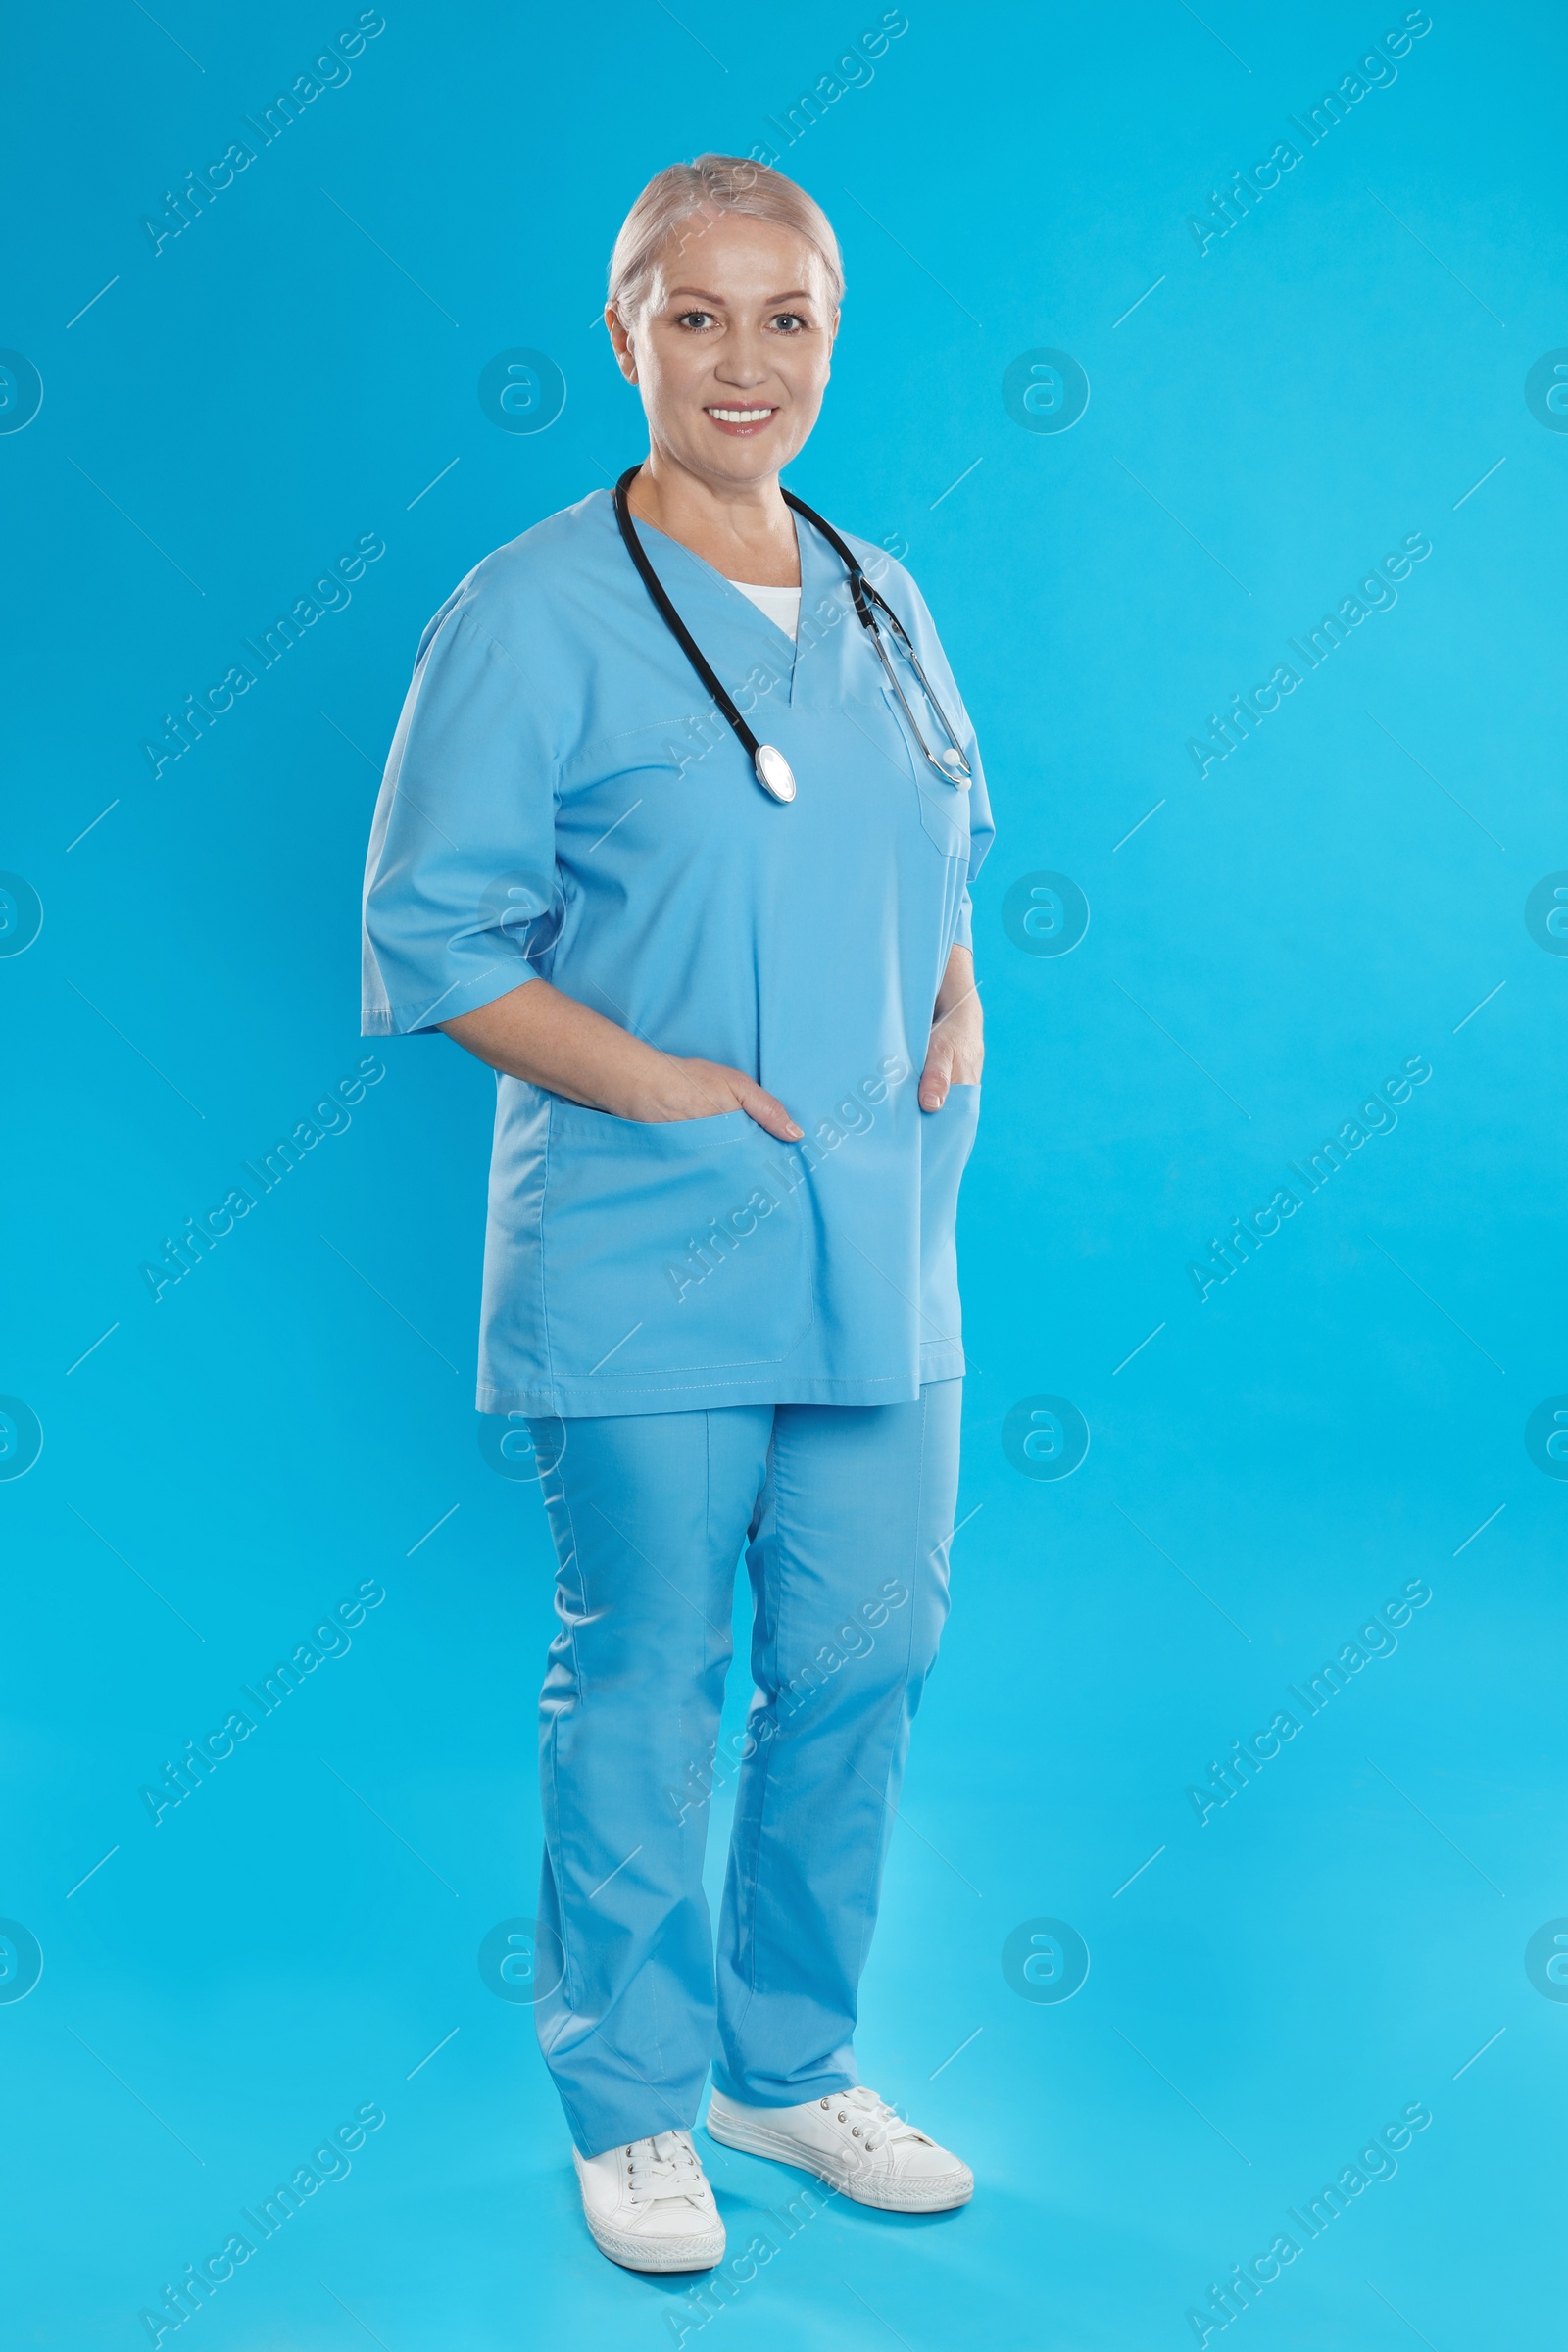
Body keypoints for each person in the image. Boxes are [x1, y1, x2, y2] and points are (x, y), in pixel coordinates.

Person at [361, 154, 993, 2275]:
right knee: (646, 1668)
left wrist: (953, 999)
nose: (744, 361)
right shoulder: (530, 611)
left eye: (785, 316)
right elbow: (433, 932)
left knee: (865, 1654)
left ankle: (783, 2065)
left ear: (831, 335)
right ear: (621, 331)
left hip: (883, 1229)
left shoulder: (883, 590)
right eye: (692, 314)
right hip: (650, 1237)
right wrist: (670, 1089)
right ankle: (629, 2106)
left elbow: (942, 840)